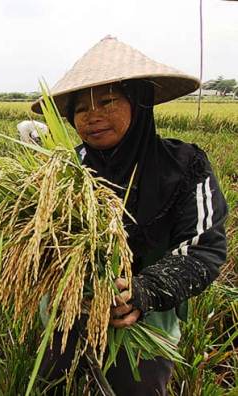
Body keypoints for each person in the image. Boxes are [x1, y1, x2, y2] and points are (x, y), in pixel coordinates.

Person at [31, 36, 228, 395]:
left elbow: (204, 248)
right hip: (66, 317)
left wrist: (143, 291)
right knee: (53, 386)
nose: (92, 116)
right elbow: (34, 242)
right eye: (80, 109)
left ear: (139, 104)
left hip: (144, 325)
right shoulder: (63, 171)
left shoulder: (184, 166)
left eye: (107, 101)